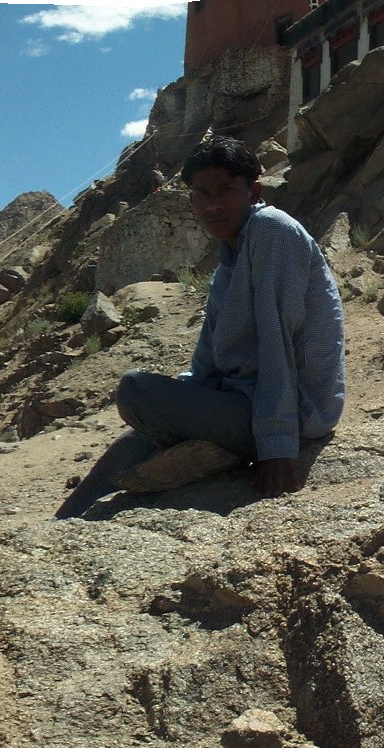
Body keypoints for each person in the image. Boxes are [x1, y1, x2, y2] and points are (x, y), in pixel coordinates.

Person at [65, 135, 342, 516]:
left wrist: (278, 447)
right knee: (136, 438)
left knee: (135, 389)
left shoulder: (271, 230)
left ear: (253, 191)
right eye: (201, 194)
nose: (212, 205)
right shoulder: (229, 259)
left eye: (226, 190)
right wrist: (183, 400)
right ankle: (66, 524)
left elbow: (278, 339)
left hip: (295, 412)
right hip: (243, 403)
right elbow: (208, 359)